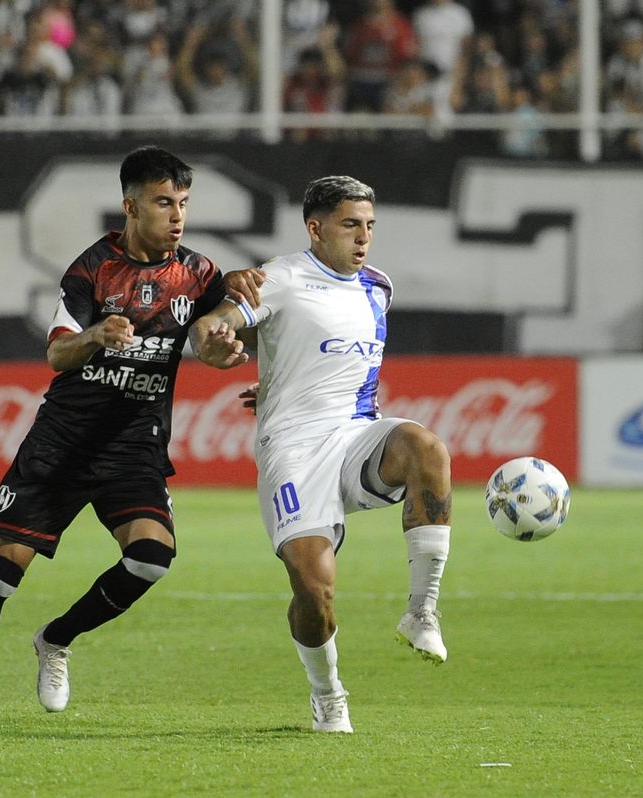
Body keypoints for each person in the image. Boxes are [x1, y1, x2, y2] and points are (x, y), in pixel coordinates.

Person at [0, 145, 261, 732]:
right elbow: (58, 352)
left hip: (134, 446)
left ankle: (56, 638)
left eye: (183, 203)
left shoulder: (199, 273)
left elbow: (216, 329)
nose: (177, 216)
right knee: (1, 571)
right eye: (164, 202)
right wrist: (96, 336)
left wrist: (223, 343)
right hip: (64, 443)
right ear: (130, 207)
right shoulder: (91, 270)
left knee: (152, 559)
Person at [188, 176, 452, 734]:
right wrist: (212, 340)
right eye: (350, 225)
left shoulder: (378, 287)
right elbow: (221, 321)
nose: (364, 237)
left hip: (357, 436)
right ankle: (327, 692)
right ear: (315, 228)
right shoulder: (281, 277)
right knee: (313, 586)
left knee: (427, 448)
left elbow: (317, 351)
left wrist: (281, 374)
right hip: (293, 447)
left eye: (370, 226)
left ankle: (421, 610)